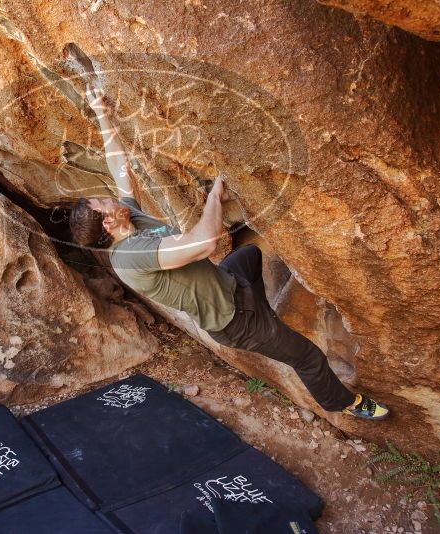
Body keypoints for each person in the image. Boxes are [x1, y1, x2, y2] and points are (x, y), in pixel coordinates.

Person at [70, 84, 389, 421]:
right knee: (307, 356)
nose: (110, 196)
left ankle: (269, 321)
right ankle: (346, 404)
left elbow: (121, 170)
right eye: (104, 201)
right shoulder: (132, 255)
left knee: (249, 256)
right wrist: (213, 198)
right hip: (236, 321)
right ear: (108, 222)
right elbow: (204, 243)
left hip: (230, 285)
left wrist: (102, 114)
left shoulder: (130, 219)